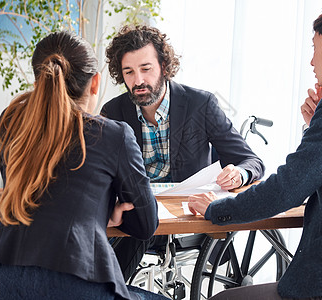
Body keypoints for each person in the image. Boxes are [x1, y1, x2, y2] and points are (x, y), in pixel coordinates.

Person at [189, 0, 322, 299]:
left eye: (314, 48)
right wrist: (313, 127)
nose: (312, 61)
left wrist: (216, 209)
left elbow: (288, 188)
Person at [0, 31, 167, 300]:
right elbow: (146, 225)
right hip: (77, 282)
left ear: (37, 81)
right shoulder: (114, 135)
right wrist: (107, 212)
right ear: (94, 83)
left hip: (10, 280)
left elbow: (32, 197)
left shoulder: (10, 124)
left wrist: (97, 212)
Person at [101, 24, 265, 282]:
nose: (138, 81)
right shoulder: (113, 112)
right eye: (129, 72)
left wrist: (239, 173)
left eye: (146, 69)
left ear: (164, 67)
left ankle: (105, 288)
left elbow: (250, 161)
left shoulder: (201, 104)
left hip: (187, 215)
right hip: (138, 215)